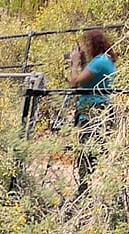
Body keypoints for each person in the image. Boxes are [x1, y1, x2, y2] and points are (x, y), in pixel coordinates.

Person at [69, 28, 116, 187]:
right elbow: (86, 82)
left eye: (86, 45)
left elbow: (75, 83)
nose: (85, 49)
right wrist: (83, 63)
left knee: (86, 155)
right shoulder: (103, 61)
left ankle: (85, 193)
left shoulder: (100, 61)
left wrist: (74, 64)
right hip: (95, 112)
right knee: (92, 155)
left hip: (92, 114)